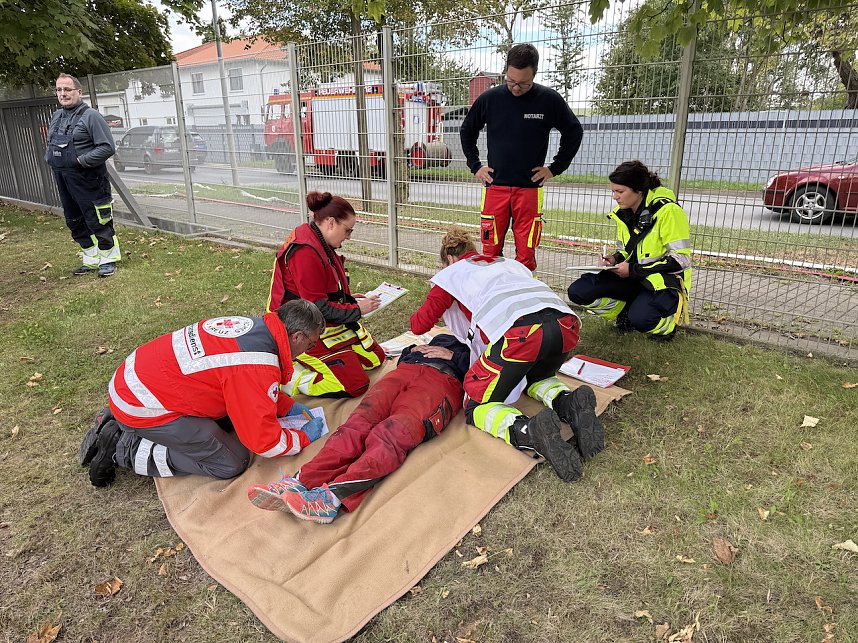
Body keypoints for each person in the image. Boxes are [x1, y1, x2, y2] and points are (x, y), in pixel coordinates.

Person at [409, 228, 605, 483]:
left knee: (476, 405)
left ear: (449, 258)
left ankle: (528, 431)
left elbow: (419, 325)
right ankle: (568, 401)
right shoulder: (507, 263)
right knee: (534, 376)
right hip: (564, 323)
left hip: (519, 333)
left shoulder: (452, 275)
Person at [79, 300, 327, 487]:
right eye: (310, 344)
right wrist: (302, 438)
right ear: (297, 336)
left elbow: (244, 384)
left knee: (226, 425)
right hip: (141, 404)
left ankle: (118, 420)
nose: (309, 350)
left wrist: (285, 406)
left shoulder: (255, 328)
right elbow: (264, 442)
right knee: (231, 461)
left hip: (135, 383)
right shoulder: (256, 364)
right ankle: (123, 447)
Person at [246, 334, 470, 523]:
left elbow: (486, 374)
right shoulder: (447, 331)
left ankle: (331, 498)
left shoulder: (484, 339)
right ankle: (301, 481)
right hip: (406, 370)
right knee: (356, 425)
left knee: (392, 434)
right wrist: (412, 350)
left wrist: (456, 357)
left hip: (443, 380)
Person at [460, 43, 584, 271]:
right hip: (495, 187)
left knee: (526, 252)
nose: (516, 87)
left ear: (534, 74)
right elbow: (467, 130)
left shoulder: (549, 100)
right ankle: (491, 288)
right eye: (511, 81)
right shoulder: (490, 99)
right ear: (506, 70)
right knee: (489, 251)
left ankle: (524, 289)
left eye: (523, 83)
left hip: (529, 189)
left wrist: (555, 168)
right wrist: (475, 165)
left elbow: (574, 131)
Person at [267, 191, 385, 398]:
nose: (348, 237)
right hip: (298, 327)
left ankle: (324, 363)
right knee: (355, 384)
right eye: (347, 230)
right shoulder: (305, 251)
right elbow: (317, 307)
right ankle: (289, 375)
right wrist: (356, 310)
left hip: (317, 319)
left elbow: (323, 290)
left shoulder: (319, 240)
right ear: (331, 223)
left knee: (375, 358)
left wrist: (348, 300)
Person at [567, 161, 692, 341]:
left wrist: (633, 270)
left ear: (638, 190)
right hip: (634, 277)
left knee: (642, 319)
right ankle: (624, 314)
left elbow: (681, 260)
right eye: (613, 191)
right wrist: (613, 259)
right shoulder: (624, 213)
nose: (615, 197)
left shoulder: (668, 211)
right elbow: (627, 251)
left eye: (620, 191)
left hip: (662, 282)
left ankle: (668, 326)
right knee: (579, 290)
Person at [45, 73, 120, 278]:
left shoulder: (91, 116)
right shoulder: (57, 116)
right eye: (59, 90)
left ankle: (108, 259)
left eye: (67, 89)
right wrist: (49, 158)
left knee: (98, 220)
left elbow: (107, 147)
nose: (63, 94)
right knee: (74, 220)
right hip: (64, 177)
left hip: (89, 179)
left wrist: (80, 161)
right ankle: (91, 259)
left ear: (79, 92)